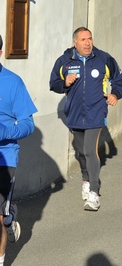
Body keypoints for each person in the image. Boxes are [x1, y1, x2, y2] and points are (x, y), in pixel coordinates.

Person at [49, 27, 122, 211]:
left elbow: (119, 78)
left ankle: (94, 191)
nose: (88, 43)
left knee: (90, 150)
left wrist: (115, 93)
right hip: (75, 114)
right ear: (75, 42)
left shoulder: (103, 58)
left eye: (90, 38)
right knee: (82, 151)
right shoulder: (65, 61)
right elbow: (53, 83)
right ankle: (86, 178)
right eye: (83, 39)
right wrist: (64, 83)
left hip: (96, 113)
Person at [0, 34, 37, 265]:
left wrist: (5, 132)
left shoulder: (13, 82)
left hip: (4, 159)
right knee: (2, 217)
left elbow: (28, 123)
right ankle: (9, 216)